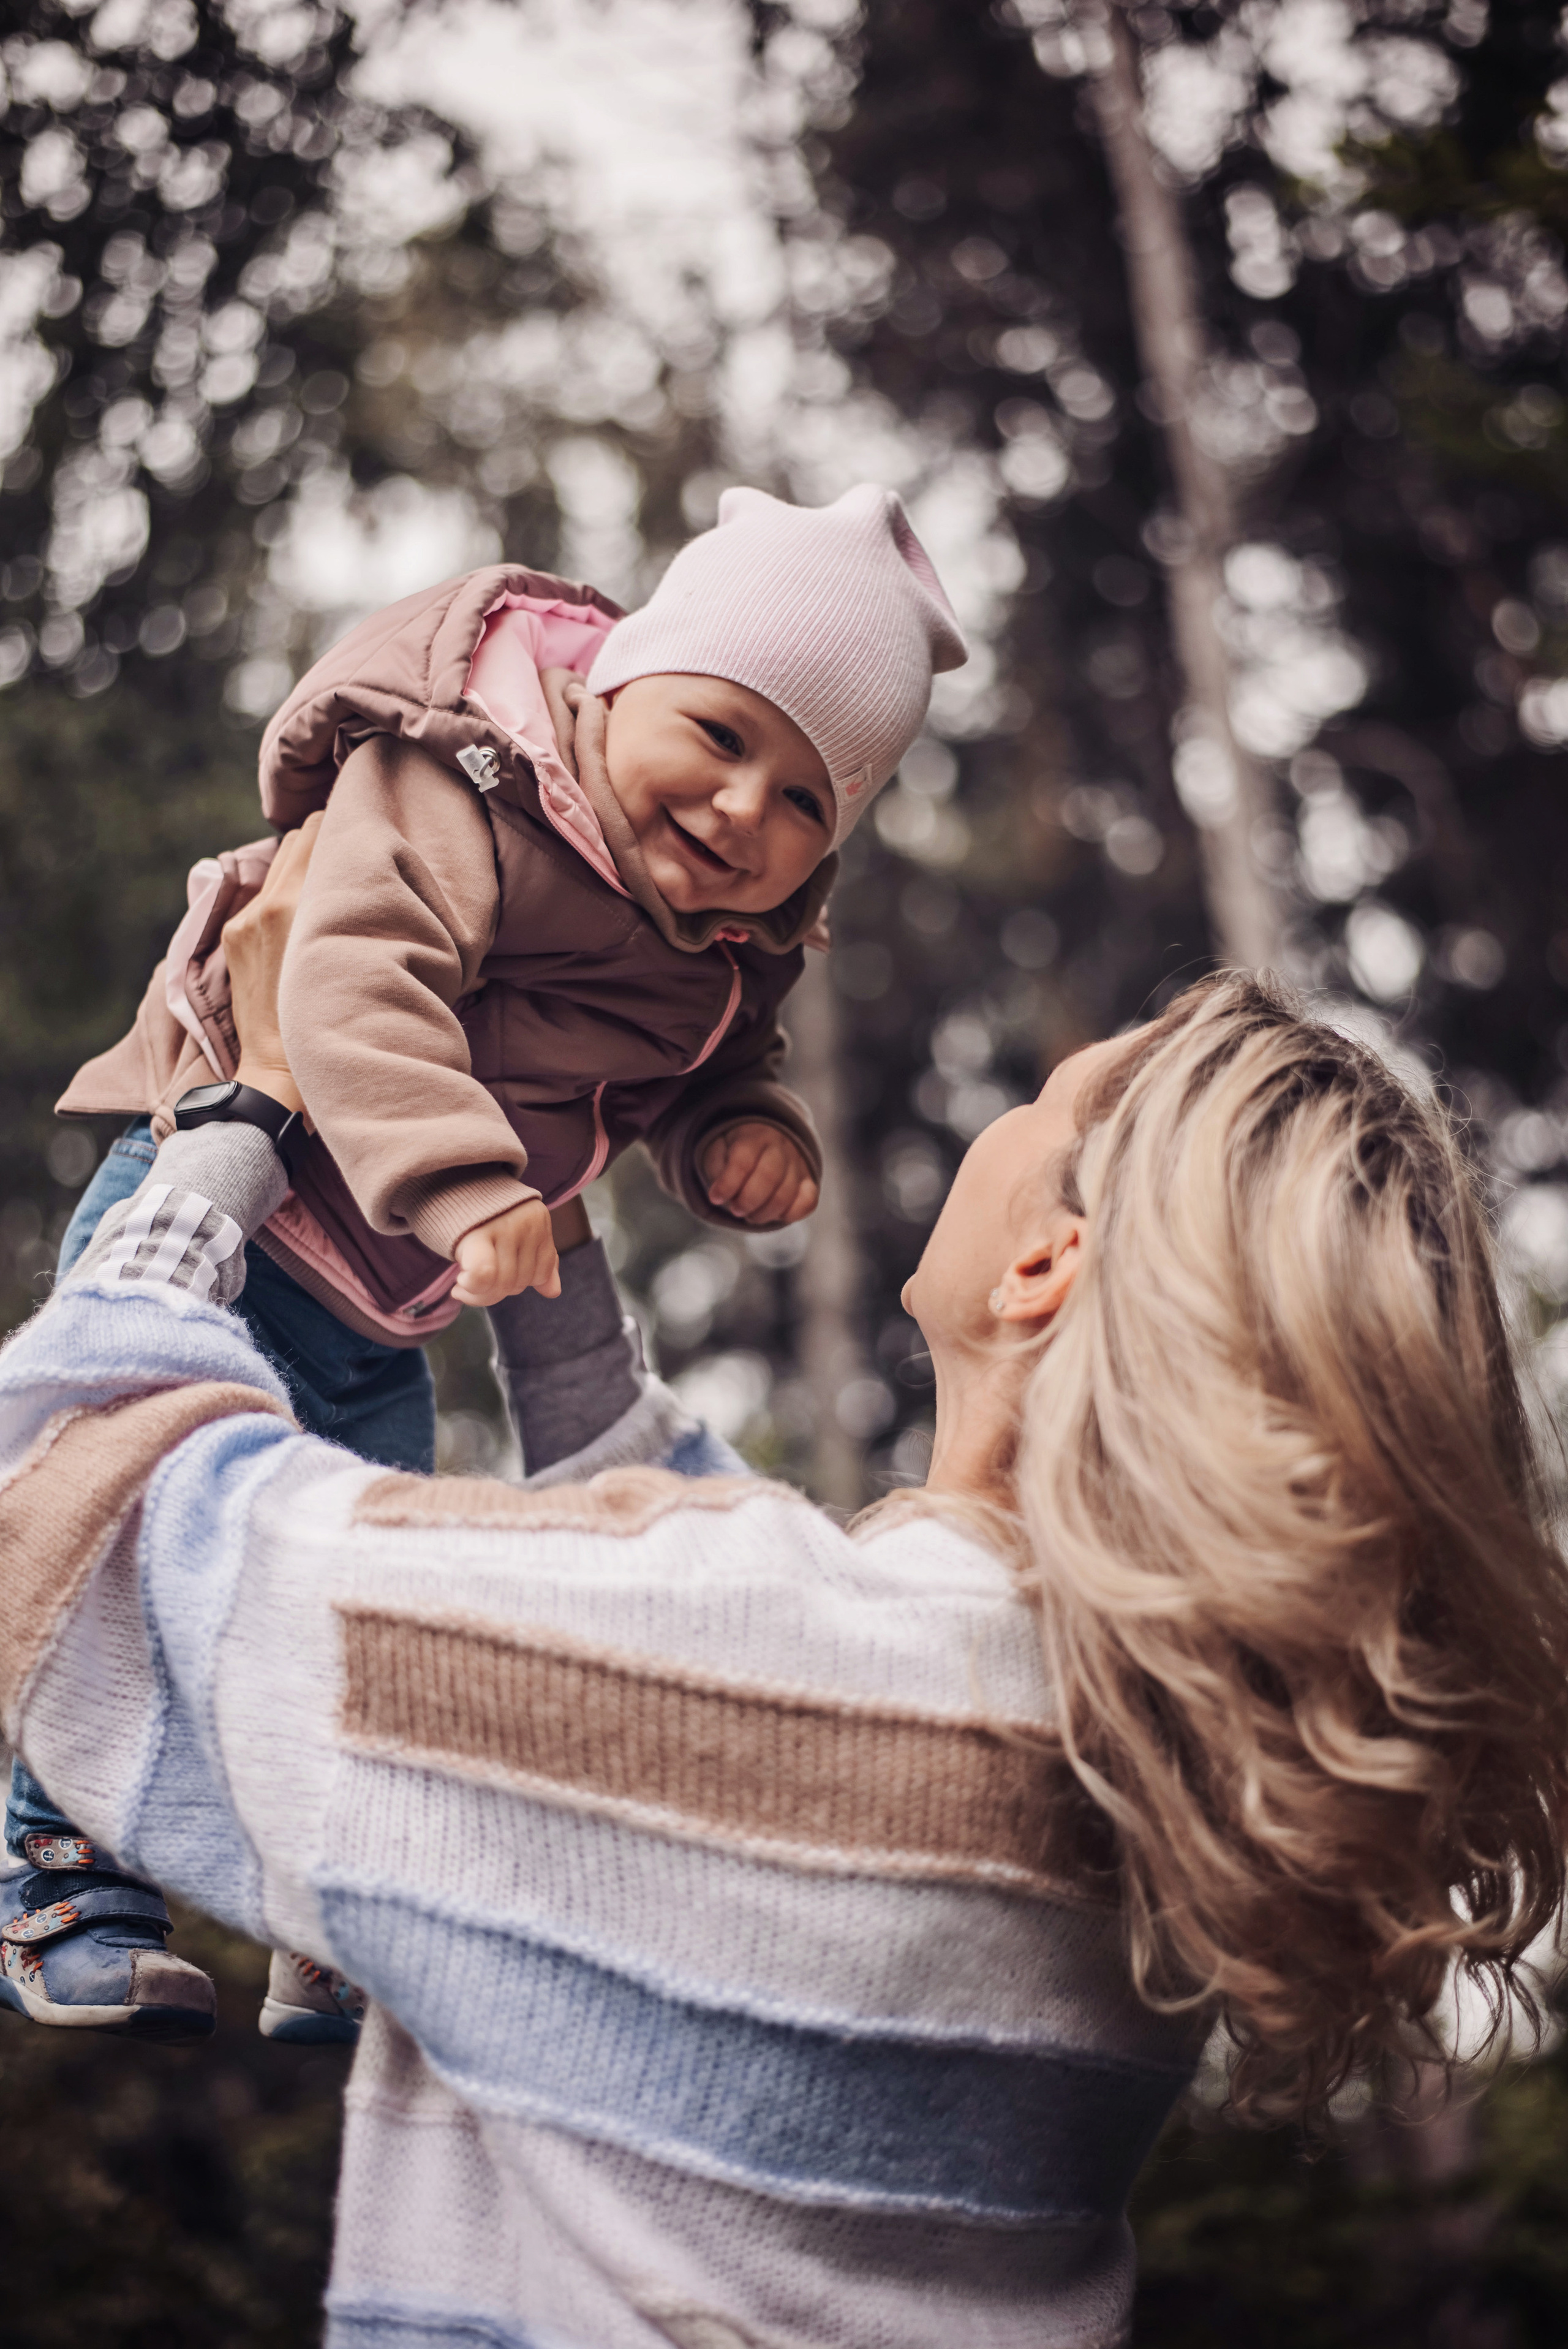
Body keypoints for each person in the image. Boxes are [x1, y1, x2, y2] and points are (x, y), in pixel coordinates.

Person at [3, 835, 1567, 2345]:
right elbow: (740, 1627)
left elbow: (74, 1502)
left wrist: (241, 1108)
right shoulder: (1125, 1773)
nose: (1006, 1116)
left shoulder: (754, 1657)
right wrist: (531, 1184)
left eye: (1040, 1102)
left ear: (1045, 1265)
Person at [10, 480, 967, 2040]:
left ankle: (329, 1909)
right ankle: (60, 1876)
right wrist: (462, 1182)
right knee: (104, 1526)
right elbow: (351, 984)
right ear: (617, 680)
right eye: (722, 737)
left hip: (374, 1306)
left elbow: (698, 1058)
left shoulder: (720, 949)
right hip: (229, 1192)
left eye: (807, 802)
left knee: (352, 1585)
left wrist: (735, 1122)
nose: (744, 813)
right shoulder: (466, 786)